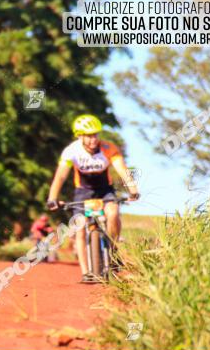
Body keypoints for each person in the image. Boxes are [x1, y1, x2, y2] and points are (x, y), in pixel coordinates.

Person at [46, 114, 140, 282]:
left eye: (95, 134)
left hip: (105, 190)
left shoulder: (108, 148)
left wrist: (132, 189)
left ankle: (112, 250)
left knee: (113, 213)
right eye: (88, 135)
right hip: (83, 191)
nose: (92, 139)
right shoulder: (71, 151)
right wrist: (52, 197)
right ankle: (85, 272)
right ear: (79, 136)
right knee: (79, 227)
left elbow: (122, 170)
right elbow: (60, 177)